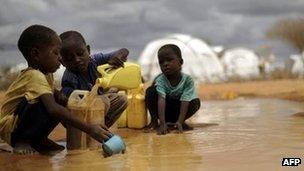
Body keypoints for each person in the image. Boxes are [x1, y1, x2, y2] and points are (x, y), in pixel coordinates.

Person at [0, 25, 112, 155]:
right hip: (11, 129)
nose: (60, 58)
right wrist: (90, 129)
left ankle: (39, 140)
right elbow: (53, 109)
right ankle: (22, 141)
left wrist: (65, 100)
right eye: (56, 52)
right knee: (51, 106)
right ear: (36, 54)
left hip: (18, 123)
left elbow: (55, 94)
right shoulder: (33, 76)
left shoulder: (46, 74)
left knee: (61, 99)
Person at [59, 31, 128, 128]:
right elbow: (71, 104)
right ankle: (91, 130)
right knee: (103, 100)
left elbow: (124, 51)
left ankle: (101, 128)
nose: (77, 59)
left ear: (88, 50)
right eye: (70, 58)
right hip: (79, 116)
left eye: (80, 53)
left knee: (122, 100)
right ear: (62, 62)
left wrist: (117, 57)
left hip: (96, 108)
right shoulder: (70, 77)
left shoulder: (94, 61)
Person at [145, 44, 201, 135]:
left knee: (195, 102)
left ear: (180, 62)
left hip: (179, 110)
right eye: (161, 62)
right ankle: (154, 122)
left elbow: (185, 100)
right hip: (165, 111)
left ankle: (180, 122)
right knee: (150, 91)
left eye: (169, 60)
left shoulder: (187, 80)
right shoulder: (160, 80)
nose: (165, 64)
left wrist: (180, 121)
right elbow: (161, 100)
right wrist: (162, 123)